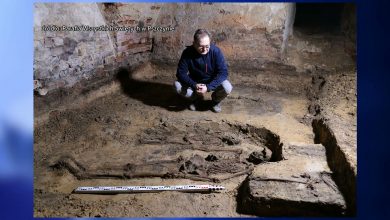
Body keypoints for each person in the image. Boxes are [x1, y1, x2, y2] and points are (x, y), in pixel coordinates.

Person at [174, 29, 233, 113]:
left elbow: (223, 73)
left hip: (212, 80)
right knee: (177, 86)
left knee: (227, 87)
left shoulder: (216, 51)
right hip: (195, 80)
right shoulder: (187, 52)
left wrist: (208, 87)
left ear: (210, 43)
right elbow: (180, 73)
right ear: (194, 43)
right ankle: (194, 98)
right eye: (201, 46)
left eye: (207, 46)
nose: (204, 49)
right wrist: (194, 85)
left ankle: (215, 101)